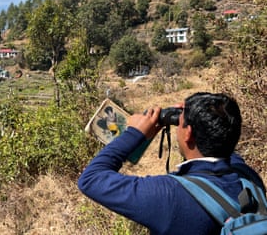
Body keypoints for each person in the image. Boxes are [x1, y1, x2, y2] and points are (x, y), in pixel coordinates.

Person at [78, 92, 265, 235]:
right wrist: (194, 117)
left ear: (189, 134)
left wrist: (134, 133)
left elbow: (91, 178)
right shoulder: (249, 179)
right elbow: (223, 149)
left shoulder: (169, 196)